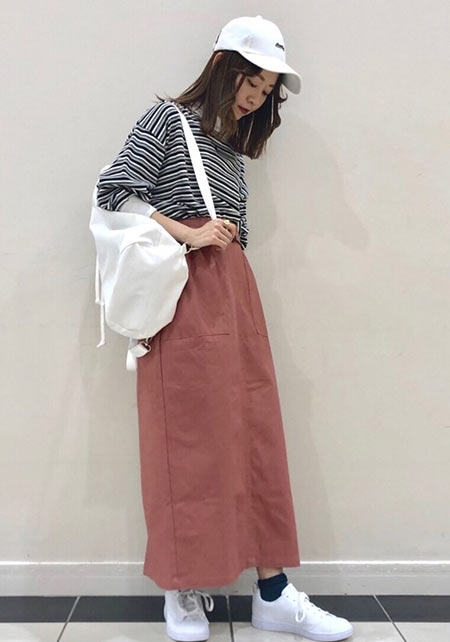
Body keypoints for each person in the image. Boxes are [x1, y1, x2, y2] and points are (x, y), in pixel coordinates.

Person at [95, 14, 353, 642]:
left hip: (235, 295)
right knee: (186, 440)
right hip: (182, 299)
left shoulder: (232, 149)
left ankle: (273, 591)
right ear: (222, 68)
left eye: (266, 91)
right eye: (251, 83)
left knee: (255, 433)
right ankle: (182, 587)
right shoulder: (167, 120)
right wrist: (189, 233)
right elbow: (113, 194)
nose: (256, 98)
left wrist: (224, 245)